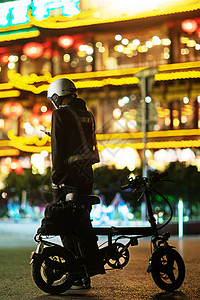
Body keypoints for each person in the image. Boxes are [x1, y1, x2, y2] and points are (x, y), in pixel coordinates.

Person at [47, 78, 104, 289]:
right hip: (87, 175)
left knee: (65, 222)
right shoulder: (86, 114)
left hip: (68, 176)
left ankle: (77, 273)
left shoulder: (59, 114)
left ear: (56, 96)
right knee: (82, 221)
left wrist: (57, 177)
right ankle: (87, 269)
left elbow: (58, 149)